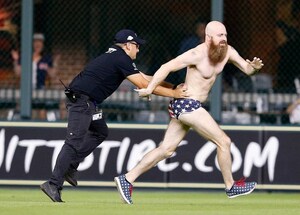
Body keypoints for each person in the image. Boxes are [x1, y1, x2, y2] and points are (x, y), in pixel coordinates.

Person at [114, 21, 264, 204]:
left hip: (189, 106)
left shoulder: (228, 51)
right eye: (219, 36)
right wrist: (149, 88)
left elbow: (247, 70)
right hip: (187, 104)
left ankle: (127, 178)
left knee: (166, 150)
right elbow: (165, 67)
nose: (223, 39)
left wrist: (254, 69)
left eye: (225, 35)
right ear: (208, 38)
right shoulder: (196, 54)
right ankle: (231, 186)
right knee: (224, 141)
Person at [40, 29, 187, 202]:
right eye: (136, 45)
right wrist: (175, 95)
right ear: (127, 45)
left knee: (100, 131)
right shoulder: (120, 58)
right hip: (81, 103)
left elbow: (147, 78)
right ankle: (53, 183)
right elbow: (142, 84)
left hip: (89, 103)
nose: (138, 49)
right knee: (73, 142)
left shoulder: (117, 56)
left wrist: (172, 86)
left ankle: (71, 166)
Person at [14, 33, 58, 120]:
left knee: (42, 110)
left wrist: (55, 64)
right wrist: (15, 60)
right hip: (26, 88)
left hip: (40, 87)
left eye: (40, 42)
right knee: (29, 110)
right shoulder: (25, 56)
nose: (38, 44)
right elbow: (18, 73)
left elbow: (52, 75)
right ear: (32, 44)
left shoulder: (46, 58)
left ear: (43, 44)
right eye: (35, 42)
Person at [166, 19, 207, 85]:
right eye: (200, 28)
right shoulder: (189, 43)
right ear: (196, 30)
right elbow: (181, 60)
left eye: (204, 28)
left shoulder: (212, 42)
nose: (203, 31)